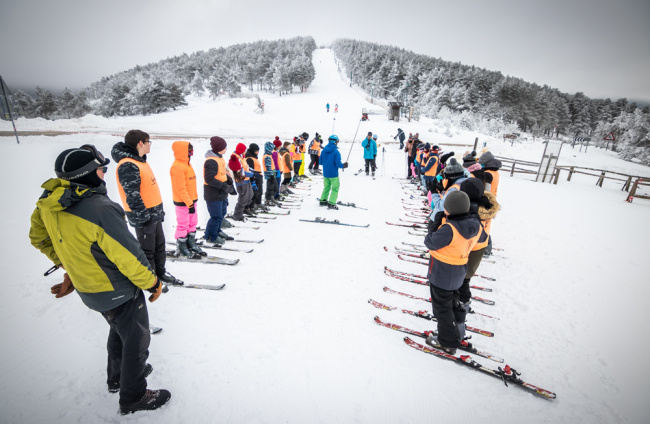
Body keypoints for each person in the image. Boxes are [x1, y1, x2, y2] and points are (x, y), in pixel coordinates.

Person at [29, 145, 171, 415]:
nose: (104, 173)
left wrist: (69, 264)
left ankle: (117, 377)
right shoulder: (101, 209)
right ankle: (134, 395)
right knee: (137, 341)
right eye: (101, 169)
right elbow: (129, 256)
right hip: (117, 289)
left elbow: (40, 238)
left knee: (118, 329)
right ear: (88, 175)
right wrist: (152, 283)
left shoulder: (50, 200)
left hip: (89, 289)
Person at [112, 130, 180, 286]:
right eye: (148, 141)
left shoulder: (140, 160)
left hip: (153, 214)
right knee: (147, 250)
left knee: (159, 246)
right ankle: (150, 280)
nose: (150, 145)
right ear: (140, 143)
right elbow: (132, 196)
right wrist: (144, 218)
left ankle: (160, 272)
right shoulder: (128, 164)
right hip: (144, 216)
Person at [423, 190, 482, 354]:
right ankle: (458, 332)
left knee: (442, 308)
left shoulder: (450, 229)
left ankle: (448, 342)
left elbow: (430, 242)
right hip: (459, 271)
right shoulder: (475, 224)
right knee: (453, 303)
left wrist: (434, 225)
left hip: (442, 272)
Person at [170, 141, 205, 257]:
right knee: (183, 223)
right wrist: (189, 203)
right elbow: (180, 188)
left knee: (193, 222)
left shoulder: (187, 164)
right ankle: (182, 245)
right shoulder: (177, 167)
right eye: (189, 151)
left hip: (191, 200)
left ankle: (190, 242)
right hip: (183, 202)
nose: (191, 153)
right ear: (183, 152)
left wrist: (192, 201)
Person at [203, 136, 237, 244]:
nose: (226, 148)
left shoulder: (219, 159)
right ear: (219, 148)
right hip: (213, 193)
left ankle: (216, 231)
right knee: (216, 216)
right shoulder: (211, 161)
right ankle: (211, 236)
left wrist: (229, 181)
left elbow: (221, 174)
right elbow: (209, 179)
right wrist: (224, 186)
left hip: (221, 192)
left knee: (222, 214)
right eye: (224, 147)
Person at [319, 135, 348, 209]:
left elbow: (321, 162)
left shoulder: (323, 151)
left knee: (326, 187)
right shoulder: (336, 152)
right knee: (335, 188)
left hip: (325, 173)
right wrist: (344, 165)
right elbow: (338, 164)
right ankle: (331, 203)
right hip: (334, 174)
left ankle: (323, 201)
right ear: (335, 142)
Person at [231, 144, 255, 220]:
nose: (245, 151)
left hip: (246, 180)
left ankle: (244, 210)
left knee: (250, 196)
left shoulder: (241, 157)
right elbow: (240, 172)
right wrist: (251, 174)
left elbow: (246, 167)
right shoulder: (235, 158)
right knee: (243, 199)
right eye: (244, 150)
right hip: (241, 181)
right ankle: (237, 215)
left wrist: (253, 171)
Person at [245, 143, 266, 212]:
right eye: (256, 151)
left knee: (260, 192)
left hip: (259, 177)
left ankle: (258, 203)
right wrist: (253, 178)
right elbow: (250, 170)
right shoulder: (249, 159)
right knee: (255, 193)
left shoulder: (254, 157)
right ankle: (251, 206)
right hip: (255, 177)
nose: (258, 152)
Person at [262, 141, 279, 206]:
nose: (272, 150)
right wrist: (271, 175)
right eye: (271, 149)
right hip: (269, 175)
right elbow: (268, 167)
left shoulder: (269, 155)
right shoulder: (267, 156)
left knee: (275, 187)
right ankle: (268, 200)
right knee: (270, 188)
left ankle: (272, 198)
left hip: (272, 173)